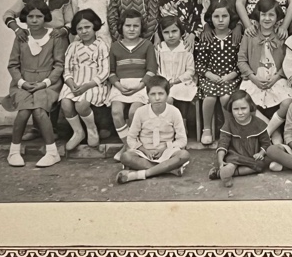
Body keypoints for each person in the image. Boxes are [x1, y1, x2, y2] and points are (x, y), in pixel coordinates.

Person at [3, 2, 65, 168]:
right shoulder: (21, 37)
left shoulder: (54, 37)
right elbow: (13, 65)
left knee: (39, 111)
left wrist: (44, 83)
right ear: (25, 18)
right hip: (23, 83)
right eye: (31, 16)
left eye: (39, 16)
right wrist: (22, 83)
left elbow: (59, 65)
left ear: (46, 18)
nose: (35, 20)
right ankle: (14, 151)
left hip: (48, 83)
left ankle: (52, 152)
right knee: (23, 112)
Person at [115, 77, 191, 184]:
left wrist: (165, 147)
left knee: (184, 155)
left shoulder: (174, 112)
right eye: (153, 94)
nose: (157, 98)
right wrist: (144, 150)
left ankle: (142, 174)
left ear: (167, 94)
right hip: (145, 154)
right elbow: (131, 138)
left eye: (161, 94)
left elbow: (182, 140)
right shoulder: (140, 112)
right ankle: (169, 169)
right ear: (147, 96)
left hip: (166, 153)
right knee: (125, 156)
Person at [237, 0, 292, 137]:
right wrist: (253, 77)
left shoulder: (281, 35)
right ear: (258, 15)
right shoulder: (250, 35)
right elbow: (241, 61)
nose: (267, 19)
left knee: (287, 102)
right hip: (254, 78)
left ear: (277, 17)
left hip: (277, 78)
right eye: (263, 15)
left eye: (271, 15)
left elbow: (288, 61)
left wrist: (277, 77)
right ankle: (271, 132)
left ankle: (268, 132)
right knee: (244, 102)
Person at [59, 8, 111, 150]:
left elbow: (105, 71)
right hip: (75, 82)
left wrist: (88, 85)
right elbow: (67, 70)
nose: (84, 31)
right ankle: (78, 132)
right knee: (65, 103)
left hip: (94, 83)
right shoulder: (73, 47)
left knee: (81, 104)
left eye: (87, 27)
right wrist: (71, 83)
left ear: (95, 26)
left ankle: (91, 129)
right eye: (80, 28)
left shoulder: (101, 45)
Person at [4, 0, 71, 63]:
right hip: (33, 43)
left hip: (58, 44)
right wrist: (17, 30)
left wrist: (62, 31)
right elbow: (8, 14)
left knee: (57, 73)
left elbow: (70, 22)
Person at [107, 9, 157, 145]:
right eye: (128, 26)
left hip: (141, 85)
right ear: (121, 27)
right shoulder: (115, 47)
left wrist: (140, 86)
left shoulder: (147, 45)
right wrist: (118, 85)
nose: (131, 29)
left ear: (141, 28)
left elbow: (152, 70)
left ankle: (131, 145)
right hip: (120, 85)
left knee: (134, 113)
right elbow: (111, 72)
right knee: (116, 112)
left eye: (136, 26)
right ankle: (128, 145)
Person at [195, 0, 242, 145]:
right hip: (211, 76)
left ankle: (228, 129)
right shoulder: (207, 38)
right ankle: (207, 129)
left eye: (224, 16)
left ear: (231, 18)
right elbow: (200, 64)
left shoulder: (236, 38)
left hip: (231, 76)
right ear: (210, 19)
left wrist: (231, 75)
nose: (220, 20)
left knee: (225, 97)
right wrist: (210, 75)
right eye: (216, 17)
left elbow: (241, 62)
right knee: (209, 97)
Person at [212, 91, 273, 188]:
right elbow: (223, 143)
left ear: (250, 107)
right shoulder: (229, 124)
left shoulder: (258, 123)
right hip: (234, 156)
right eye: (236, 109)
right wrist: (220, 161)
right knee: (230, 162)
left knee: (260, 165)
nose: (240, 113)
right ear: (231, 109)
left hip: (251, 158)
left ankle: (224, 173)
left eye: (243, 108)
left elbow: (266, 143)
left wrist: (261, 153)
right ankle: (227, 170)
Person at [155, 16, 197, 134]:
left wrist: (177, 80)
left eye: (174, 31)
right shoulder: (160, 48)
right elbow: (157, 67)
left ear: (181, 31)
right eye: (166, 32)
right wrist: (163, 80)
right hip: (164, 81)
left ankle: (182, 122)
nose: (171, 35)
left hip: (182, 81)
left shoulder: (185, 48)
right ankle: (168, 124)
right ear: (161, 34)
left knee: (180, 92)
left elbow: (190, 70)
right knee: (166, 96)